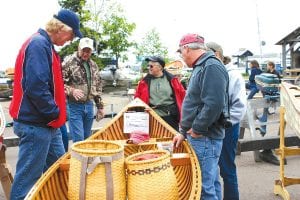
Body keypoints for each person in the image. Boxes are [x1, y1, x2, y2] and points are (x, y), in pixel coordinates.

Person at [9, 9, 82, 200]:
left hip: (47, 123)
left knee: (59, 167)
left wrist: (55, 116)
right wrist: (54, 112)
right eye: (72, 34)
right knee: (27, 180)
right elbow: (36, 86)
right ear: (61, 28)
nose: (71, 39)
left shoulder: (45, 45)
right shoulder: (38, 45)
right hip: (37, 123)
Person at [173, 34, 229, 200]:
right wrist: (183, 131)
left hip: (205, 136)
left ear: (187, 49)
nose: (181, 57)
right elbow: (197, 102)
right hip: (203, 136)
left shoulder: (210, 66)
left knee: (204, 188)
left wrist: (197, 129)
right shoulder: (203, 66)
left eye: (181, 52)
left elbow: (214, 104)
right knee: (210, 184)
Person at [207, 42, 247, 200]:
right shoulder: (213, 72)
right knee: (213, 169)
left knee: (227, 169)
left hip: (227, 127)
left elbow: (239, 106)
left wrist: (225, 123)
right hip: (213, 127)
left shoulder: (233, 75)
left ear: (217, 54)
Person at [62, 37, 104, 143]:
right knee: (79, 139)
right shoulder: (68, 63)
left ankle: (85, 160)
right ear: (78, 48)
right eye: (83, 50)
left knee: (86, 139)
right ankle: (78, 160)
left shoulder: (93, 65)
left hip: (89, 105)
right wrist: (71, 91)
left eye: (88, 51)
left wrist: (100, 107)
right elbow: (59, 84)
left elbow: (97, 86)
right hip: (74, 106)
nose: (86, 53)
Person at [134, 56, 185, 131]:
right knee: (154, 140)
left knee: (171, 140)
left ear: (160, 67)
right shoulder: (144, 82)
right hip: (151, 117)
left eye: (151, 66)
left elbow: (183, 96)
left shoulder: (172, 80)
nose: (149, 68)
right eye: (148, 66)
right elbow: (137, 99)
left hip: (170, 117)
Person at [257, 61, 281, 165]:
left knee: (265, 117)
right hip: (269, 96)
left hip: (270, 96)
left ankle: (268, 147)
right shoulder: (268, 73)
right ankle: (266, 148)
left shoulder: (275, 73)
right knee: (264, 117)